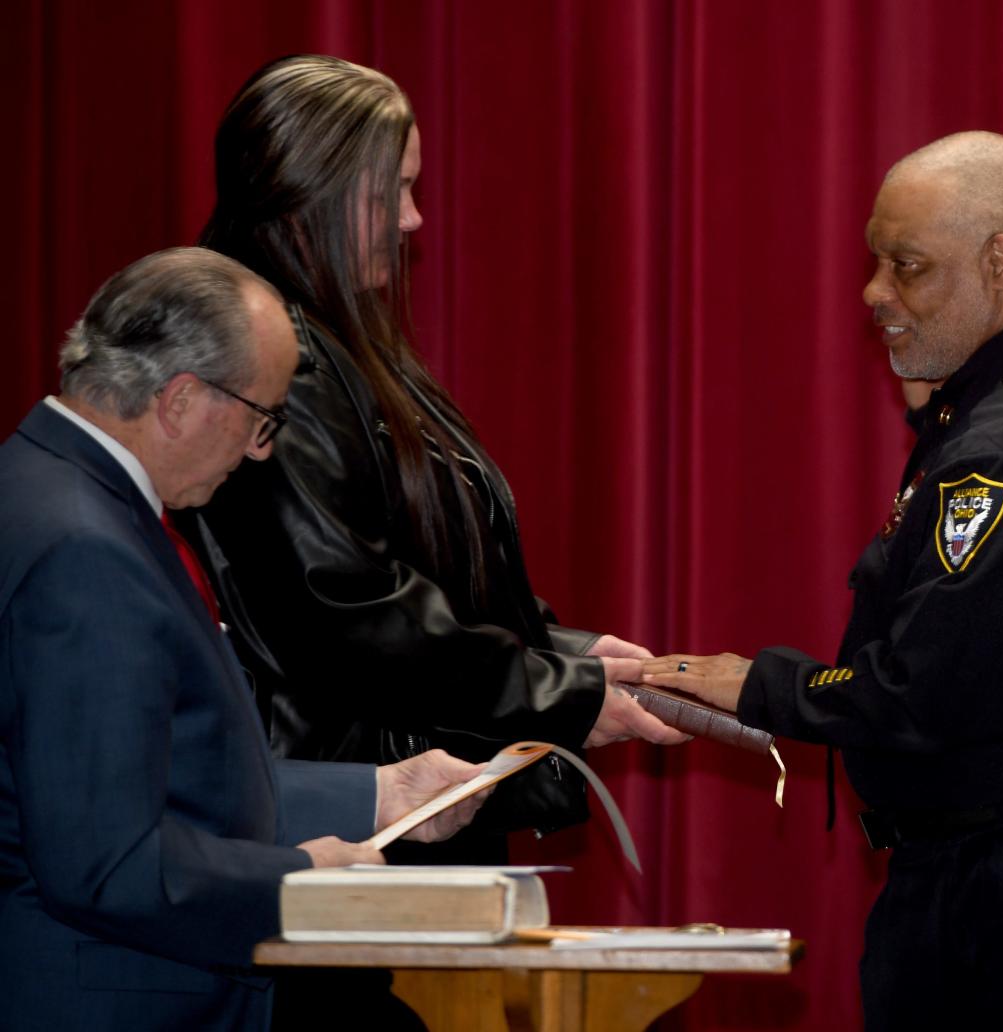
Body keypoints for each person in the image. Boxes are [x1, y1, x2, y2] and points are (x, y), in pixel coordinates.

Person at [643, 131, 1003, 1029]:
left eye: (908, 268)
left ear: (1000, 263)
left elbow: (924, 697)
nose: (874, 293)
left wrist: (760, 686)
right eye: (877, 261)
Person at [194, 53, 684, 851]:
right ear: (302, 191)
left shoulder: (336, 343)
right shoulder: (281, 363)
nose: (414, 219)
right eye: (390, 194)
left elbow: (416, 576)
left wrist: (555, 647)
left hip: (394, 794)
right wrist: (554, 687)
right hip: (346, 815)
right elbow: (343, 611)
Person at [0, 248, 486, 1032]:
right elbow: (106, 861)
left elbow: (152, 778)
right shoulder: (82, 548)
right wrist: (297, 881)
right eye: (263, 419)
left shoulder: (43, 489)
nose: (261, 450)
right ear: (182, 399)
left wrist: (380, 794)